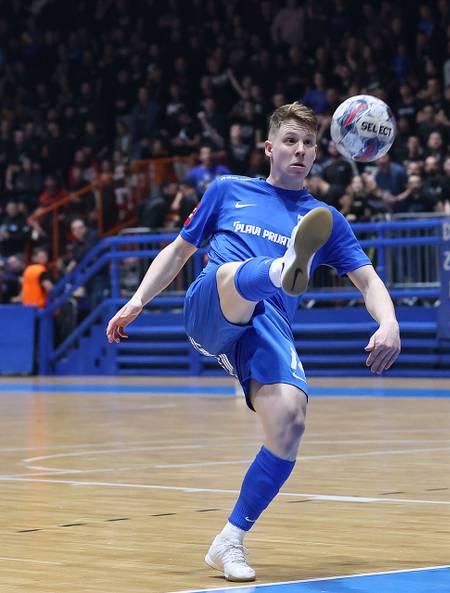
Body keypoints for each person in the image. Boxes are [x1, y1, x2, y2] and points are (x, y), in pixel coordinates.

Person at [105, 102, 401, 582]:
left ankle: (229, 541)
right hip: (212, 304)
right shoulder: (227, 191)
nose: (300, 150)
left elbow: (368, 282)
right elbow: (179, 250)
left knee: (289, 423)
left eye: (308, 143)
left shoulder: (325, 218)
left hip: (267, 328)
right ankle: (282, 269)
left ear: (316, 152)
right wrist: (137, 300)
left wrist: (389, 322)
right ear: (269, 148)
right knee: (229, 274)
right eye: (290, 141)